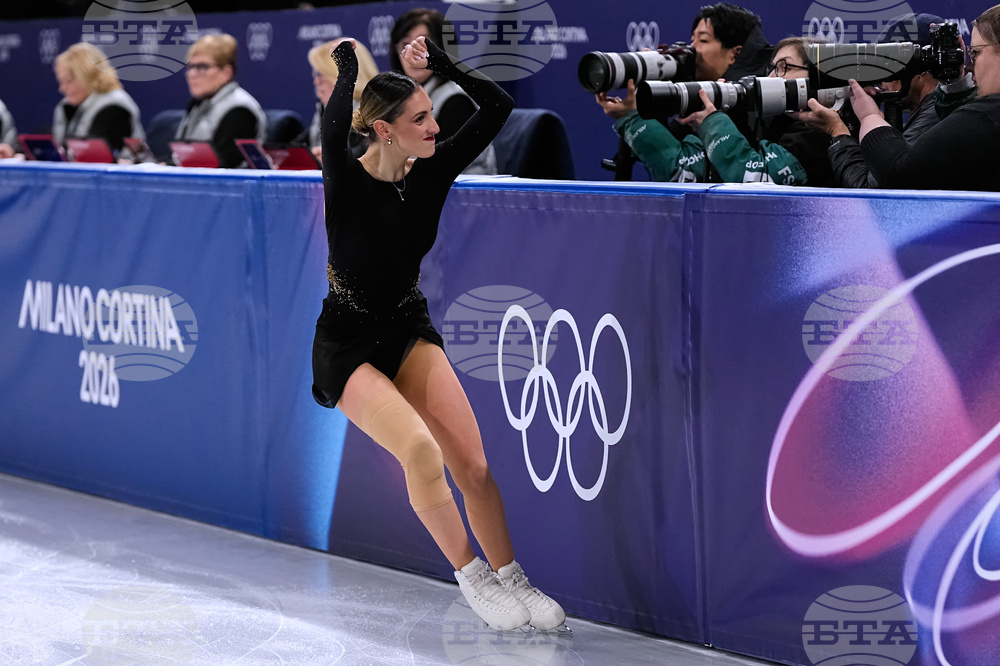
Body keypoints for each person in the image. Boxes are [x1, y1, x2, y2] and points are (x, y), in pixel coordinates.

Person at [312, 36, 565, 632]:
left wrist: (445, 65)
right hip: (347, 346)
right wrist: (347, 68)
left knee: (472, 466)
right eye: (420, 118)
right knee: (420, 451)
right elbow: (332, 121)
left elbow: (497, 108)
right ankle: (472, 576)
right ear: (382, 129)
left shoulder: (433, 170)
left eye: (432, 114)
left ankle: (512, 577)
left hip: (406, 325)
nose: (434, 126)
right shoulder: (345, 177)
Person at [795, 13, 978, 187]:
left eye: (886, 66)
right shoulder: (935, 110)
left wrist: (838, 131)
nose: (879, 78)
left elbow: (872, 190)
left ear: (921, 66)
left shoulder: (936, 117)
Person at [595, 3, 772, 181]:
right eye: (692, 40)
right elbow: (670, 145)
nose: (692, 49)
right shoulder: (696, 95)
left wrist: (631, 117)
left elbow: (683, 173)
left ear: (735, 53)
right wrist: (654, 95)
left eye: (703, 41)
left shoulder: (753, 103)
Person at [852, 4, 1000, 190]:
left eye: (975, 53)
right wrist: (954, 82)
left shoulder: (988, 117)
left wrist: (868, 117)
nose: (969, 65)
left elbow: (900, 176)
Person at [678, 36, 836, 186]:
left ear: (818, 76)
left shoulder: (819, 132)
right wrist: (730, 113)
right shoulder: (780, 123)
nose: (771, 78)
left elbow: (754, 180)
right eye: (772, 69)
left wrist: (713, 123)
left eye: (784, 67)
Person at [389, 8, 498, 174]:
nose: (412, 53)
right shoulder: (402, 97)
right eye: (405, 45)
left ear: (440, 51)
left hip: (463, 193)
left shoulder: (456, 100)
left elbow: (438, 165)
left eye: (421, 46)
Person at [174, 34, 266, 168]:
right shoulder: (198, 104)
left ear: (226, 73)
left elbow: (222, 164)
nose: (192, 74)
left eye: (202, 67)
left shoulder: (239, 110)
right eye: (190, 67)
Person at [52, 43, 145, 154]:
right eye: (60, 81)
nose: (62, 89)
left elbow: (94, 156)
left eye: (67, 81)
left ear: (86, 77)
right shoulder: (67, 106)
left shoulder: (114, 109)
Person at [304, 37, 377, 163]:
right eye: (315, 75)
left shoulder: (373, 113)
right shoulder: (325, 110)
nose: (316, 82)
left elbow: (369, 157)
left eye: (321, 74)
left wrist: (333, 159)